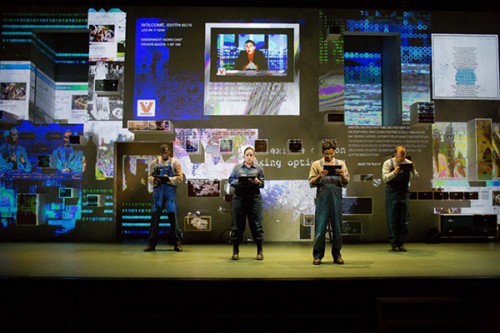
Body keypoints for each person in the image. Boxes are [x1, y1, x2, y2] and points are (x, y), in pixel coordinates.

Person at [308, 140, 349, 265]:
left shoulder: (341, 164)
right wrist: (320, 176)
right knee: (320, 228)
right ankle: (318, 256)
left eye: (331, 154)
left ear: (334, 152)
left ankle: (337, 255)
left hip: (336, 199)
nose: (329, 156)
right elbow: (311, 182)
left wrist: (342, 175)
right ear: (322, 152)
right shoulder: (316, 164)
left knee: (337, 228)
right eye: (327, 154)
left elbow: (346, 182)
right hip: (322, 200)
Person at [144, 143, 184, 252]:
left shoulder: (175, 163)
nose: (164, 154)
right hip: (158, 194)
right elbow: (150, 177)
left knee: (174, 218)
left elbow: (180, 178)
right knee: (154, 219)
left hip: (170, 193)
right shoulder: (155, 163)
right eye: (162, 152)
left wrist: (169, 179)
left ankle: (177, 242)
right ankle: (151, 244)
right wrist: (154, 180)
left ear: (169, 152)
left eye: (166, 152)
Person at [228, 146, 265, 260]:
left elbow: (263, 183)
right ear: (244, 156)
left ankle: (259, 251)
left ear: (254, 157)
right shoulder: (237, 168)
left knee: (256, 225)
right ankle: (235, 251)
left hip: (254, 199)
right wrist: (239, 182)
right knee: (237, 226)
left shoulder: (258, 168)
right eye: (247, 155)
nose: (249, 157)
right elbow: (230, 180)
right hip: (240, 198)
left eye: (251, 155)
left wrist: (257, 181)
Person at [382, 145, 419, 252]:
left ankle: (401, 243)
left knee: (404, 220)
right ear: (395, 154)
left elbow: (416, 177)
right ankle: (394, 244)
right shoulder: (388, 163)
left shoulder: (408, 163)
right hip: (392, 193)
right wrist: (395, 172)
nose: (402, 157)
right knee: (392, 219)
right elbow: (384, 178)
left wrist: (413, 171)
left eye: (404, 155)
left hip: (404, 193)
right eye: (400, 155)